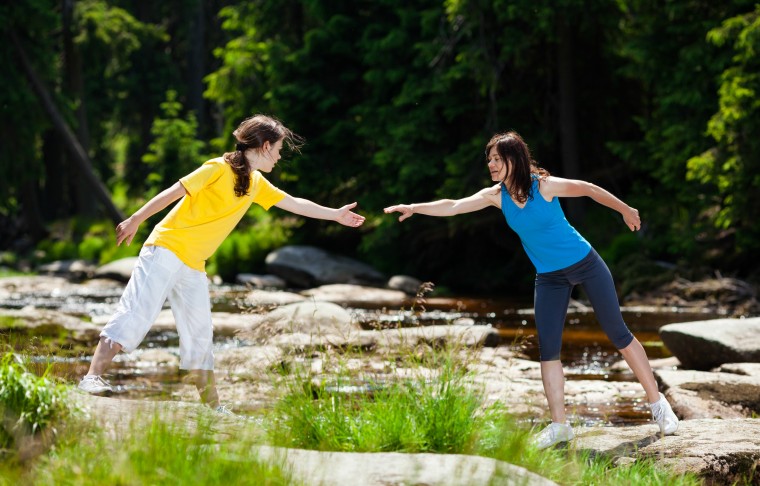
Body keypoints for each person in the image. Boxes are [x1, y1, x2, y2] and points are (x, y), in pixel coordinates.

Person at [384, 131, 678, 449]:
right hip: (549, 277)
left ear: (514, 159)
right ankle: (559, 426)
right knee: (548, 350)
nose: (491, 165)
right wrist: (414, 207)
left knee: (618, 333)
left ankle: (658, 404)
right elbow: (453, 205)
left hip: (585, 264)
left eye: (497, 159)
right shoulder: (497, 196)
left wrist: (625, 209)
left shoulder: (544, 186)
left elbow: (589, 189)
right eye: (489, 160)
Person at [78, 114, 365, 413]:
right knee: (137, 312)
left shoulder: (255, 183)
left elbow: (294, 203)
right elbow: (174, 191)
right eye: (278, 150)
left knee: (201, 332)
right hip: (164, 249)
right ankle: (92, 377)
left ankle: (213, 407)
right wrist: (136, 219)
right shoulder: (218, 167)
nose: (279, 157)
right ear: (265, 146)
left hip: (194, 264)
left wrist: (335, 214)